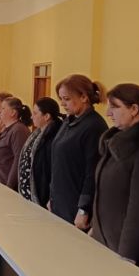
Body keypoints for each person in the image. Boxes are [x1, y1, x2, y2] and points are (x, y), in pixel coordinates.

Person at [88, 84, 139, 276]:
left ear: (134, 109)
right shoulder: (117, 141)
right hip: (106, 241)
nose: (108, 113)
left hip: (128, 252)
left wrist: (127, 256)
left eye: (115, 107)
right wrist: (95, 227)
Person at [50, 74, 108, 229]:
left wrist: (83, 209)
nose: (62, 103)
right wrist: (52, 197)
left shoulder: (94, 126)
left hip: (76, 206)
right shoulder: (69, 121)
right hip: (60, 200)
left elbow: (92, 172)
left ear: (83, 97)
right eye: (61, 99)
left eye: (67, 99)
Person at [17, 97, 63, 207]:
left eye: (35, 113)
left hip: (42, 195)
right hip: (28, 194)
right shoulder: (37, 133)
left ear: (46, 116)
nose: (31, 116)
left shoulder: (54, 137)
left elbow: (51, 170)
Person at [0, 97, 32, 190]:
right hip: (1, 183)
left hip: (10, 187)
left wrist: (10, 185)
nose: (0, 111)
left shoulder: (18, 130)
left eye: (3, 108)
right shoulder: (8, 128)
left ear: (13, 112)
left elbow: (19, 158)